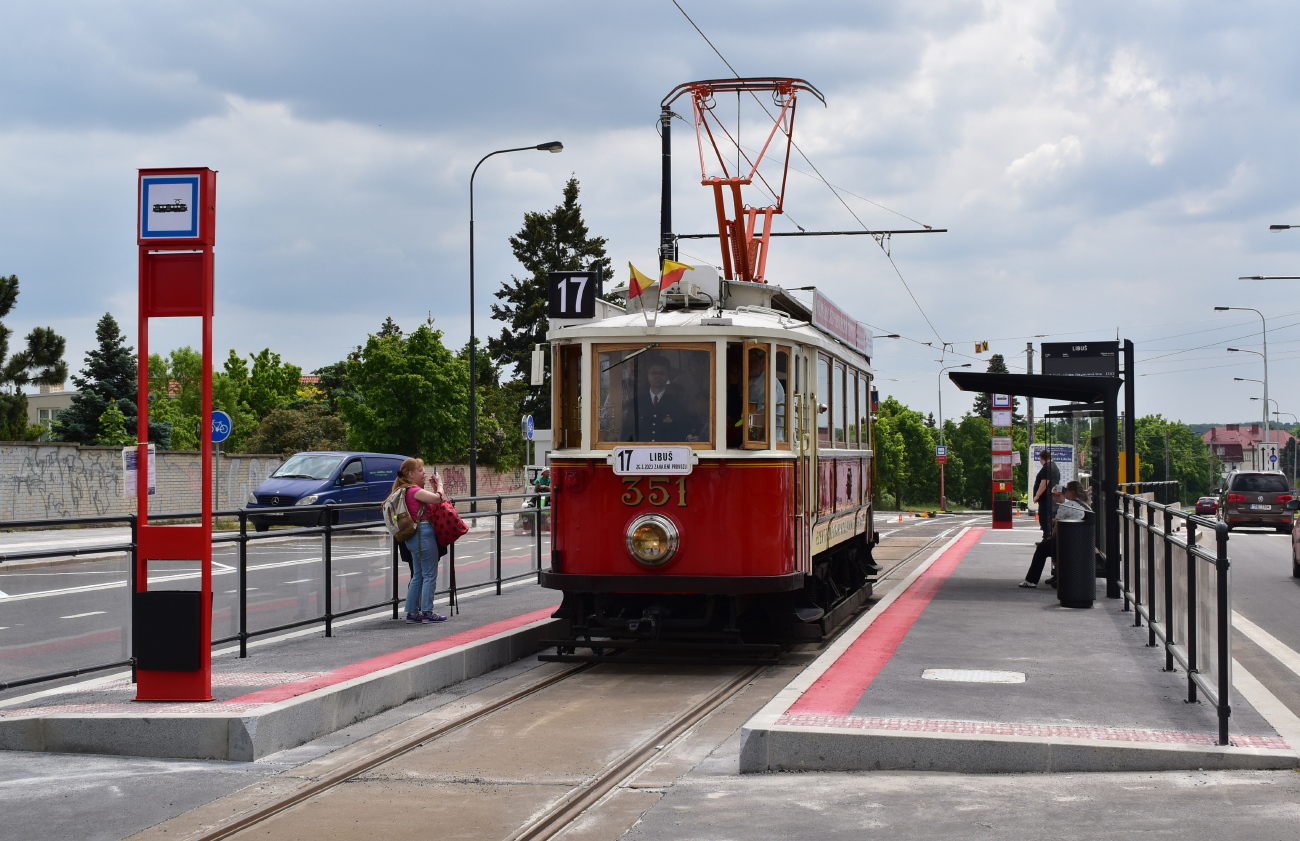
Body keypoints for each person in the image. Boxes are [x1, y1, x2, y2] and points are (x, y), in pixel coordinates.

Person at [393, 457, 448, 623]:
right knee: (430, 573)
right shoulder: (414, 491)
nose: (424, 473)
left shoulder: (405, 491)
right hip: (423, 533)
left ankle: (412, 612)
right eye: (420, 471)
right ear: (411, 474)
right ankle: (427, 611)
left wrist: (433, 488)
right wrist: (439, 484)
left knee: (418, 574)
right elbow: (439, 499)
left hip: (413, 535)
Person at [1019, 481, 1092, 588]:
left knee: (1042, 548)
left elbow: (1057, 528)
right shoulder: (1086, 505)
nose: (1065, 491)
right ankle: (1061, 578)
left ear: (1072, 492)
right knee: (1053, 546)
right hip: (1084, 542)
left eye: (1066, 489)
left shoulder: (1067, 506)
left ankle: (1031, 581)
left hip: (1069, 542)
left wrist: (1050, 539)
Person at [621, 354, 699, 442]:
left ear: (667, 376)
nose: (657, 376)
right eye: (653, 373)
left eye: (662, 373)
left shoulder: (677, 403)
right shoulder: (636, 402)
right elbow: (627, 434)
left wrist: (689, 438)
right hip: (641, 453)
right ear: (648, 376)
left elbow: (684, 431)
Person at [1032, 449, 1060, 539]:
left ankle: (1047, 538)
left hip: (1046, 498)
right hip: (1052, 497)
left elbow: (1044, 483)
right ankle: (1047, 537)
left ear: (1041, 458)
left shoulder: (1047, 468)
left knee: (1045, 518)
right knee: (1050, 517)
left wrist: (1037, 495)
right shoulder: (1054, 467)